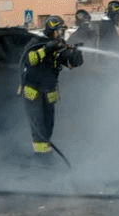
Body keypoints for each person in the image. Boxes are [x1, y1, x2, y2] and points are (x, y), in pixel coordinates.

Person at [18, 15, 83, 156]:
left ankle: (46, 153)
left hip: (49, 92)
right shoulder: (36, 43)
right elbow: (29, 60)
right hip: (33, 92)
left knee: (48, 126)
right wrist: (46, 49)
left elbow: (69, 63)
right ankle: (41, 158)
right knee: (39, 127)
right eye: (58, 31)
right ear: (50, 31)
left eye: (62, 31)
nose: (60, 34)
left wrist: (76, 54)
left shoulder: (58, 46)